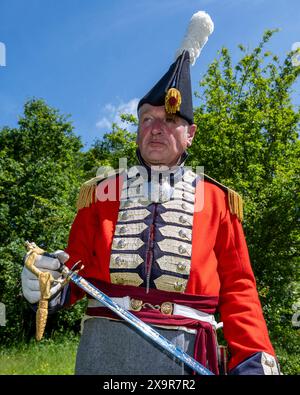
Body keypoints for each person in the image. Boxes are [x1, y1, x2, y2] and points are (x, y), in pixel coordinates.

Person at [21, 11, 280, 375]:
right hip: (104, 350)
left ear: (190, 134)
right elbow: (74, 271)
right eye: (147, 119)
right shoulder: (99, 194)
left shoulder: (221, 201)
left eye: (170, 120)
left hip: (187, 352)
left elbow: (239, 287)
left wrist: (254, 357)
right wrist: (46, 284)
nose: (156, 129)